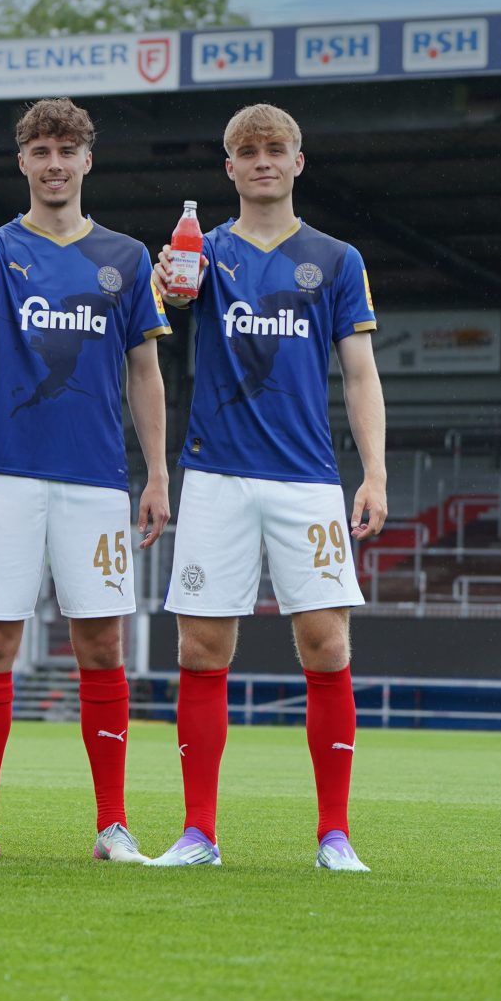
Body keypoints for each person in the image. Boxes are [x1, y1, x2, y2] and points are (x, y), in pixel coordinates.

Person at [0, 98, 173, 864]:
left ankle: (113, 825)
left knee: (101, 643)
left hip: (96, 479)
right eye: (40, 150)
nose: (54, 163)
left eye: (67, 149)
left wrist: (158, 470)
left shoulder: (128, 257)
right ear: (23, 162)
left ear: (87, 160)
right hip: (5, 475)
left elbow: (145, 370)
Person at [155, 102, 386, 873]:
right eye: (247, 151)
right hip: (215, 471)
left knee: (325, 645)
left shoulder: (337, 257)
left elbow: (359, 372)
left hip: (306, 478)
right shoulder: (204, 251)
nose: (262, 161)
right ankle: (198, 832)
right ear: (229, 168)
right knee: (200, 645)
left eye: (275, 149)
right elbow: (167, 309)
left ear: (297, 161)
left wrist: (375, 471)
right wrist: (168, 285)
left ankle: (335, 833)